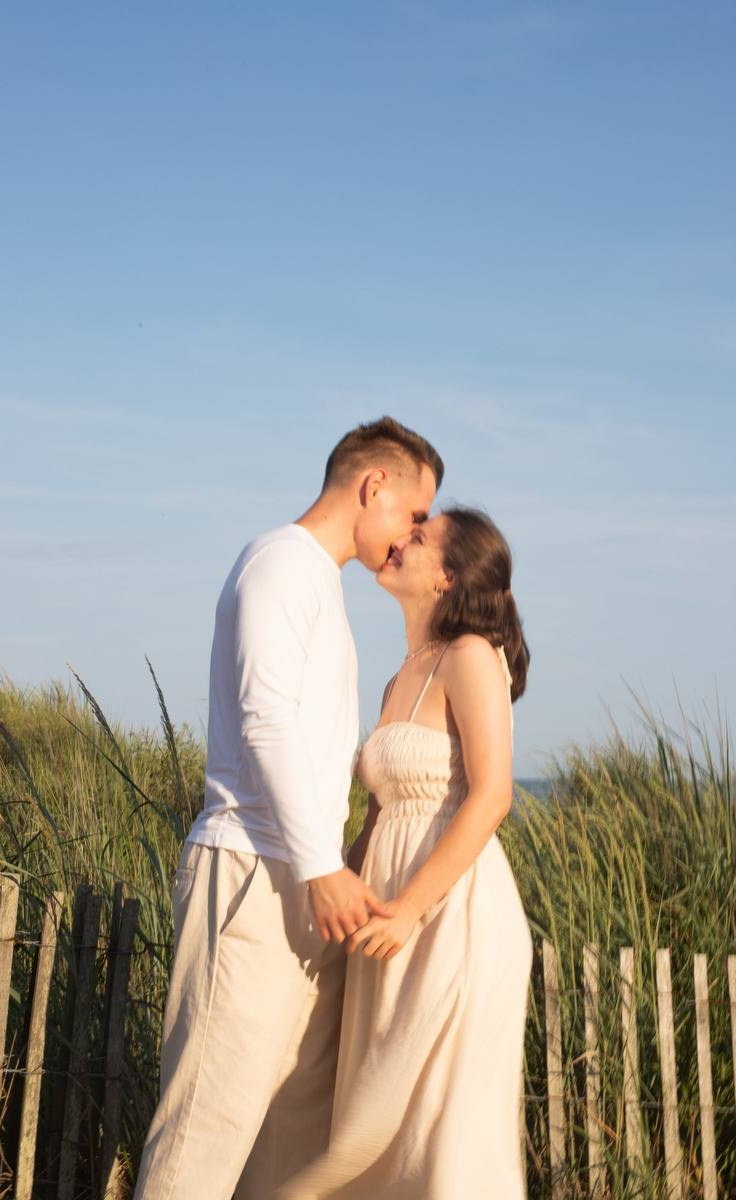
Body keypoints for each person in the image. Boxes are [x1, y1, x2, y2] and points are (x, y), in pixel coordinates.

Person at [133, 417, 444, 1200]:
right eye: (414, 514)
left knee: (288, 1153)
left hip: (301, 883)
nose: (413, 535)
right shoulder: (279, 563)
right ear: (374, 485)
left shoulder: (316, 582)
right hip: (253, 871)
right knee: (202, 1139)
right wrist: (320, 868)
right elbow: (263, 719)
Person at [279, 507, 532, 1199]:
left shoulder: (471, 655)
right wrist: (336, 888)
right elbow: (378, 815)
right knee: (378, 1126)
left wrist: (410, 910)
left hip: (450, 915)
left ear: (447, 576)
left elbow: (492, 796)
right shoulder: (402, 675)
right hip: (388, 917)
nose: (399, 540)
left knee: (440, 1133)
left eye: (418, 539)